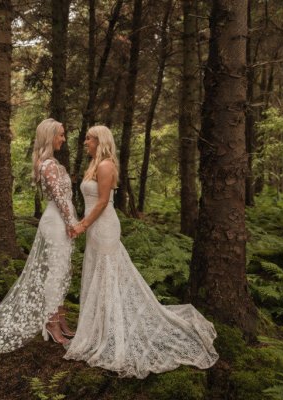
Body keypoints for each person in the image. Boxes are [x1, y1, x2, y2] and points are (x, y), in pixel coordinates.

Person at [64, 125, 218, 378]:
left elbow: (102, 202)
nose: (85, 142)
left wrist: (82, 225)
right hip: (93, 226)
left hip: (103, 226)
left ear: (99, 140)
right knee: (97, 271)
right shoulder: (94, 165)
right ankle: (100, 325)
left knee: (107, 271)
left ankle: (112, 329)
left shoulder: (105, 166)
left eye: (89, 138)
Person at [0, 118, 77, 352]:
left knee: (62, 271)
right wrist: (71, 222)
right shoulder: (48, 165)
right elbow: (60, 198)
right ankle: (52, 324)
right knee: (55, 273)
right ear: (50, 137)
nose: (63, 138)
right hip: (56, 222)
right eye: (60, 134)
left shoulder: (52, 162)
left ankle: (60, 319)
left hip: (62, 221)